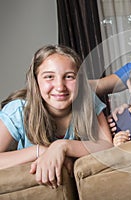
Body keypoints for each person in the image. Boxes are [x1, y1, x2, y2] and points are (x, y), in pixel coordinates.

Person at [0, 45, 113, 188]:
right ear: (35, 81)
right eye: (49, 77)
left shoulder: (87, 98)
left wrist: (62, 146)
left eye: (69, 77)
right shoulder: (18, 110)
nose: (60, 87)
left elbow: (107, 145)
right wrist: (42, 151)